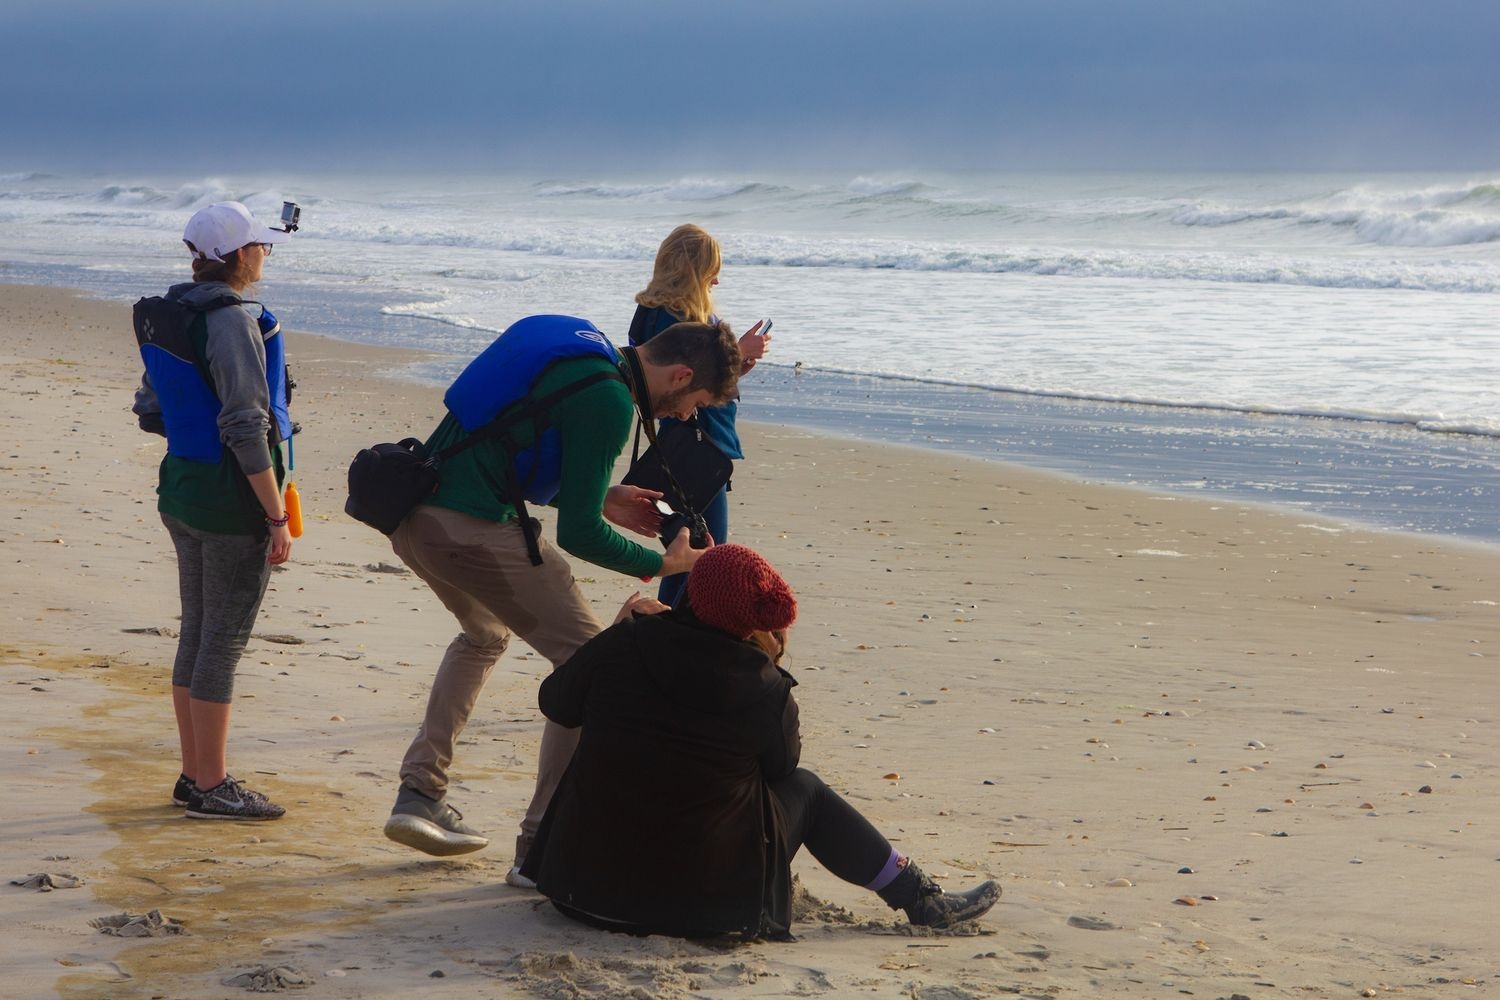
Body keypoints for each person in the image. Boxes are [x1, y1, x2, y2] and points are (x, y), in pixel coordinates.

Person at [381, 314, 743, 889]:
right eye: (693, 402)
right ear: (678, 375)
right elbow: (579, 535)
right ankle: (540, 847)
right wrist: (665, 564)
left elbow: (504, 439)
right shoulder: (611, 402)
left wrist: (601, 494)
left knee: (484, 636)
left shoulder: (580, 346)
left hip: (413, 512)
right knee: (592, 668)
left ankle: (419, 794)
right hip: (472, 531)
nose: (686, 416)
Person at [519, 544, 1001, 938]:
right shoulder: (764, 686)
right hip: (699, 912)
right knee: (807, 790)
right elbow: (780, 770)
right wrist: (768, 669)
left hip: (581, 894)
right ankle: (919, 896)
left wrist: (617, 629)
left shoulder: (624, 643)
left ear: (692, 593)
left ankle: (919, 894)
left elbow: (556, 703)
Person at [131, 201, 296, 821]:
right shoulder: (231, 323)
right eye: (261, 247)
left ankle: (194, 773)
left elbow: (153, 404)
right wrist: (275, 516)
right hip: (229, 501)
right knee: (220, 641)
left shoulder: (169, 313)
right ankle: (211, 784)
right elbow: (247, 423)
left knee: (199, 631)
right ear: (240, 255)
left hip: (183, 488)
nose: (265, 257)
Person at [629, 223, 772, 607]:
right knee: (704, 554)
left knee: (689, 554)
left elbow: (688, 383)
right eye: (711, 269)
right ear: (694, 270)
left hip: (693, 443)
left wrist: (734, 366)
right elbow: (679, 387)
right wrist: (736, 351)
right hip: (695, 446)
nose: (717, 280)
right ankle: (676, 637)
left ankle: (665, 631)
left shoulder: (657, 314)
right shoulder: (673, 318)